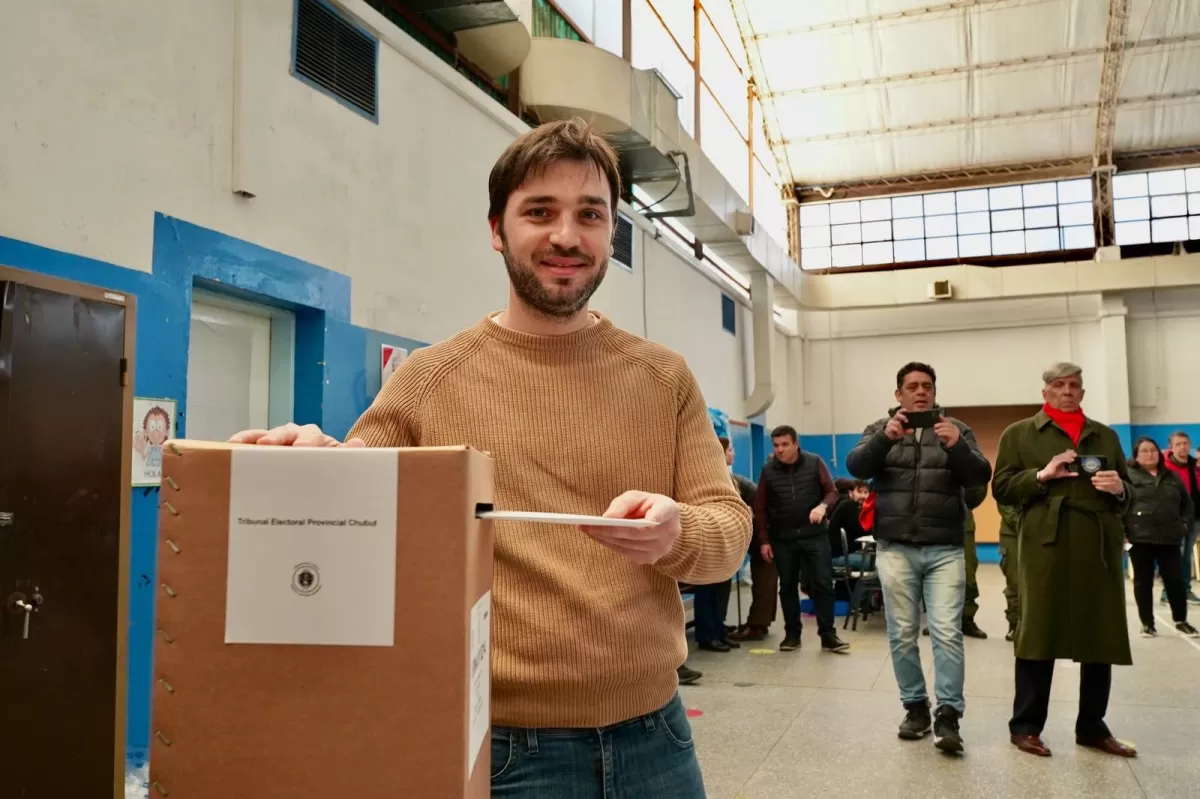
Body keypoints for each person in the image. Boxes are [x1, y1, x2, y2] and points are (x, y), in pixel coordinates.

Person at [228, 118, 752, 797]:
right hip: (506, 750)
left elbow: (728, 533)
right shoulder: (429, 378)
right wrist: (309, 462)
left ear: (611, 234)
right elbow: (352, 492)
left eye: (589, 215)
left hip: (658, 740)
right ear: (497, 229)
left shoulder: (665, 378)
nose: (567, 235)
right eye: (540, 212)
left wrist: (677, 528)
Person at [845, 362, 991, 754]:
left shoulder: (955, 429)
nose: (921, 392)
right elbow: (855, 466)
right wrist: (885, 440)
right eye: (912, 386)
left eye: (927, 386)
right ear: (899, 395)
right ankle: (915, 709)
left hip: (944, 548)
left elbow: (981, 475)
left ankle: (948, 715)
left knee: (946, 632)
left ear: (935, 391)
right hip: (895, 547)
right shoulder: (881, 428)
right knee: (902, 634)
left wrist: (956, 446)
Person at [993, 361, 1136, 759]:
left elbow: (1131, 493)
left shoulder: (1104, 436)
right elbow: (1001, 488)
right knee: (1038, 632)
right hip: (1045, 545)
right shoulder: (1019, 434)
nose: (1067, 391)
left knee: (1099, 634)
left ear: (1083, 393)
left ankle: (1092, 726)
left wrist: (1120, 487)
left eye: (1074, 385)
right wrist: (1041, 475)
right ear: (1046, 393)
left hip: (1097, 545)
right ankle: (1025, 726)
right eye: (1059, 385)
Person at [755, 425, 851, 654]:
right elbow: (760, 508)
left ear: (796, 444)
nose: (780, 450)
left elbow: (832, 492)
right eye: (776, 445)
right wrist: (764, 540)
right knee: (787, 587)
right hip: (783, 539)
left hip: (815, 536)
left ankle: (828, 636)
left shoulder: (814, 462)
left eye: (785, 445)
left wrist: (822, 506)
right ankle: (792, 635)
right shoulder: (768, 471)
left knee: (823, 584)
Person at [1125, 437, 1199, 638]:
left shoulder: (1172, 477)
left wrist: (1184, 525)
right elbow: (1119, 505)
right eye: (1145, 451)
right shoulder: (1128, 477)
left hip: (1170, 538)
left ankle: (1181, 620)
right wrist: (1124, 533)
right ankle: (1147, 623)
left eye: (1154, 450)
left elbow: (1187, 505)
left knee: (1175, 581)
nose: (1150, 454)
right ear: (1137, 456)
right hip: (1140, 539)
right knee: (1143, 582)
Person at [690, 436, 751, 652]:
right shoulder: (706, 478)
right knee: (707, 590)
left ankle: (718, 629)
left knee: (721, 590)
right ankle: (706, 635)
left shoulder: (728, 477)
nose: (733, 453)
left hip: (725, 542)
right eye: (730, 450)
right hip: (708, 542)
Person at [1162, 431, 1200, 605]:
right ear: (1171, 446)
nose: (1182, 447)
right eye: (1178, 444)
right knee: (1175, 554)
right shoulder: (1164, 466)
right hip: (1173, 517)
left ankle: (1185, 589)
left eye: (1185, 443)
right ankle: (1168, 590)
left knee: (1186, 556)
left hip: (1194, 517)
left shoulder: (1195, 465)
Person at [828, 478, 871, 570]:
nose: (863, 496)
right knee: (876, 562)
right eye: (859, 492)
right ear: (851, 493)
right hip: (838, 556)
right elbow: (863, 531)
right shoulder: (848, 506)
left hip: (848, 554)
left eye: (866, 492)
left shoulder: (859, 508)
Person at [997, 502, 1022, 642]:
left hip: (1042, 529)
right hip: (1012, 531)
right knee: (1015, 581)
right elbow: (1004, 498)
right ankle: (1015, 624)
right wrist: (1018, 521)